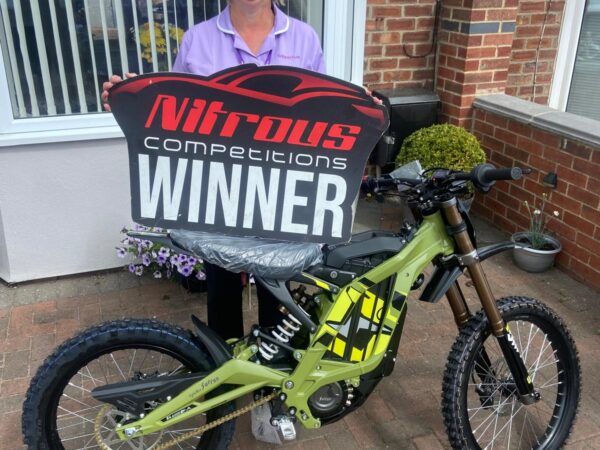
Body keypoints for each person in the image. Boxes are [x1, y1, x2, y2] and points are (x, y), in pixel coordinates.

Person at [102, 0, 325, 340]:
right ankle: (226, 366)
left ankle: (275, 367)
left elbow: (324, 113)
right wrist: (135, 98)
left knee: (278, 294)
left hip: (281, 191)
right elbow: (174, 114)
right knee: (222, 290)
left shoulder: (304, 38)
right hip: (218, 192)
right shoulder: (197, 39)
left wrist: (361, 109)